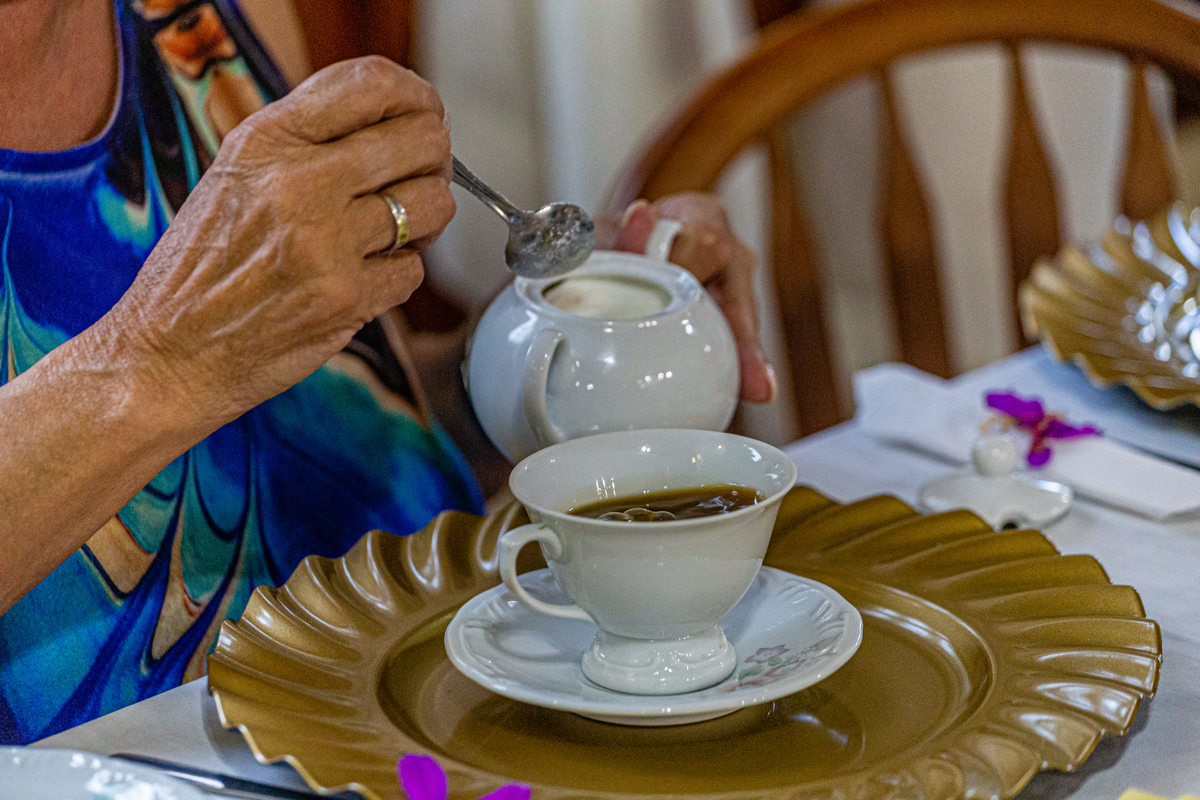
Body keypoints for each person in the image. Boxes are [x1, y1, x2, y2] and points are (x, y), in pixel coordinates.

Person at [0, 0, 774, 743]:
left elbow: (334, 425)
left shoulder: (204, 26)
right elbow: (190, 364)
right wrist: (164, 361)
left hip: (448, 709)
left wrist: (541, 361)